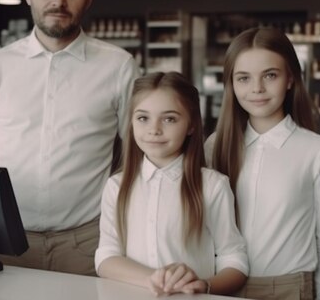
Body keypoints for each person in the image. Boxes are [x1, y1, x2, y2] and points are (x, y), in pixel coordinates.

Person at [0, 0, 139, 276]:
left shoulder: (118, 66)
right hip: (3, 241)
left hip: (88, 244)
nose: (58, 1)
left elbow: (134, 154)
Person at [204, 27, 320, 300]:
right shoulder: (214, 145)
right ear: (231, 84)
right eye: (243, 78)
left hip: (288, 288)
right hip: (220, 286)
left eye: (270, 75)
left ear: (290, 78)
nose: (257, 88)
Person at [95, 72, 248, 296]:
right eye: (143, 118)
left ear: (191, 126)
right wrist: (155, 278)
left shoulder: (213, 186)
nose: (154, 129)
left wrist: (204, 285)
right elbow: (106, 256)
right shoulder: (116, 187)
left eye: (169, 119)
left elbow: (234, 257)